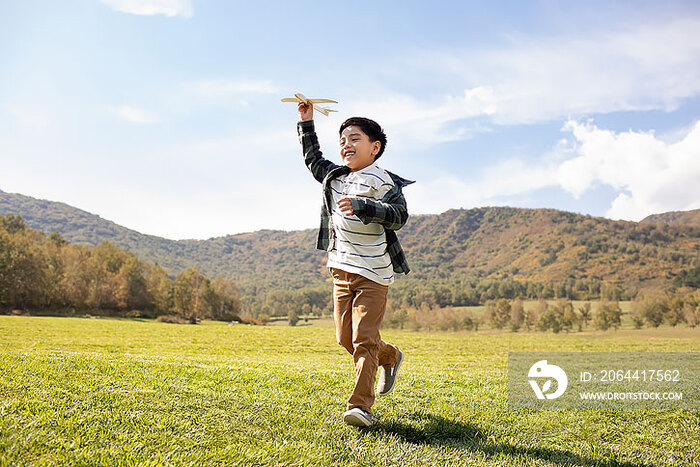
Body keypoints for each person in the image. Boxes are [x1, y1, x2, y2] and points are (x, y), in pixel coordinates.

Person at [296, 101, 415, 427]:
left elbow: (399, 216)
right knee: (344, 340)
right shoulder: (335, 179)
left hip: (373, 275)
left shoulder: (383, 181)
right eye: (343, 140)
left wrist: (366, 206)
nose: (346, 145)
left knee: (363, 341)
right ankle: (389, 356)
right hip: (340, 271)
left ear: (375, 147)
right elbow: (313, 160)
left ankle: (360, 407)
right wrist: (306, 122)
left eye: (355, 139)